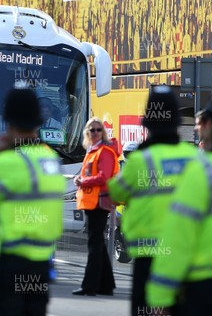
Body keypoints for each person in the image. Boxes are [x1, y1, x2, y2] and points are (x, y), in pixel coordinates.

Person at [0, 87, 65, 316]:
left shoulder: (9, 162)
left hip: (9, 264)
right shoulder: (51, 159)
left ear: (9, 122)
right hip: (42, 263)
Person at [108, 86, 198, 316]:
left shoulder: (141, 160)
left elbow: (116, 193)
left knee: (145, 310)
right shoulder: (194, 159)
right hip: (185, 255)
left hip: (147, 256)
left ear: (148, 123)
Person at [146, 92, 212, 315]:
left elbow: (178, 239)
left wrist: (160, 297)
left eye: (202, 120)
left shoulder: (202, 171)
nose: (197, 128)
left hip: (204, 289)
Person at [72, 117, 119, 296]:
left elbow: (103, 177)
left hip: (99, 202)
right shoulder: (92, 150)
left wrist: (82, 181)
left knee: (94, 243)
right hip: (93, 202)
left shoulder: (104, 151)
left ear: (103, 132)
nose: (95, 132)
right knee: (97, 242)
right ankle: (107, 286)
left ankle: (89, 286)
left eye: (98, 129)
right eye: (91, 130)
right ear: (86, 132)